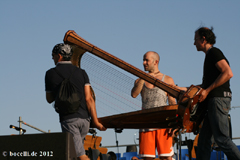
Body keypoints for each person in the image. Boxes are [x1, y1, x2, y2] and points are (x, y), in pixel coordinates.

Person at [177, 27, 240, 160]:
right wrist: (181, 89)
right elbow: (204, 86)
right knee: (204, 141)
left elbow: (228, 73)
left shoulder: (214, 53)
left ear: (203, 39)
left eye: (195, 40)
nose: (194, 43)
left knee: (222, 139)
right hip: (213, 101)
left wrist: (207, 91)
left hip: (218, 100)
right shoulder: (209, 56)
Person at [45, 43, 106, 160]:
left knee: (80, 155)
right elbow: (89, 99)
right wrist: (96, 122)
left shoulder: (50, 73)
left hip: (69, 120)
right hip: (85, 120)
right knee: (74, 154)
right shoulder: (81, 72)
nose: (52, 58)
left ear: (59, 56)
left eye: (53, 56)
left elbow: (49, 99)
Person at [131, 51, 176, 160]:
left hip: (163, 124)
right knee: (147, 158)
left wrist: (174, 123)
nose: (143, 62)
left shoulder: (168, 80)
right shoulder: (139, 80)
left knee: (166, 158)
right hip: (146, 124)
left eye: (147, 60)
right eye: (143, 60)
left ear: (156, 62)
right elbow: (134, 94)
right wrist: (143, 77)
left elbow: (172, 103)